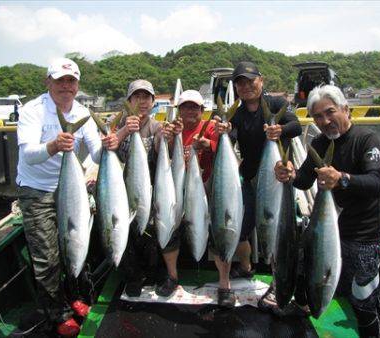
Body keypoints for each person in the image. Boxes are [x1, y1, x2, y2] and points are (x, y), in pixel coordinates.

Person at [16, 57, 119, 337]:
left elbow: (97, 153)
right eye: (60, 80)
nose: (66, 86)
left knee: (77, 243)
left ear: (77, 85)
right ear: (48, 82)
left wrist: (111, 143)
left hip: (70, 188)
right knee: (47, 257)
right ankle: (58, 312)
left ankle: (76, 296)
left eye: (71, 81)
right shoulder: (32, 111)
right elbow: (28, 154)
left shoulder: (83, 113)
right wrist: (52, 146)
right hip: (36, 190)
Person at [275, 85, 380, 337]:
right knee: (303, 271)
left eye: (330, 112)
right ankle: (303, 307)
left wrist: (342, 178)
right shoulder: (320, 142)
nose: (325, 121)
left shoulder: (369, 140)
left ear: (346, 109)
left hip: (362, 237)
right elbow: (303, 180)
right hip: (325, 229)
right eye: (317, 117)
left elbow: (377, 184)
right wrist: (288, 173)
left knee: (363, 303)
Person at [215, 61, 302, 296]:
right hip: (249, 178)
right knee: (240, 227)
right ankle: (245, 267)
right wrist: (223, 132)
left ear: (261, 81)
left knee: (279, 231)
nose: (246, 86)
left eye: (250, 81)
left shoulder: (276, 104)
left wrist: (280, 130)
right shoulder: (239, 113)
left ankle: (278, 282)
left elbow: (297, 126)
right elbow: (231, 135)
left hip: (277, 179)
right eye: (240, 83)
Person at [154, 89, 219, 297]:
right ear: (179, 110)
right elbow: (162, 153)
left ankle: (223, 277)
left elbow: (223, 148)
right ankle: (172, 276)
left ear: (202, 110)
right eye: (185, 107)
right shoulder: (173, 129)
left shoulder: (210, 127)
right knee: (168, 224)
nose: (190, 111)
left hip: (205, 186)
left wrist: (208, 144)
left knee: (214, 224)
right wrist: (170, 137)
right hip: (176, 185)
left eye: (194, 107)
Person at [116, 79, 163, 297]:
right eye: (137, 97)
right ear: (129, 101)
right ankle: (133, 277)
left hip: (150, 188)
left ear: (153, 102)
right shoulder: (119, 125)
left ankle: (152, 273)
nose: (142, 102)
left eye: (146, 97)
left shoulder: (156, 127)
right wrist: (126, 130)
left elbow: (162, 149)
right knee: (124, 233)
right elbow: (106, 150)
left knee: (150, 231)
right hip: (121, 191)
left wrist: (169, 137)